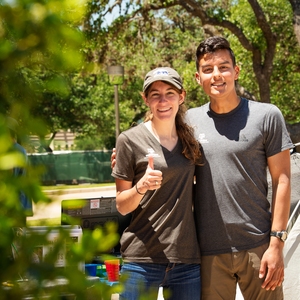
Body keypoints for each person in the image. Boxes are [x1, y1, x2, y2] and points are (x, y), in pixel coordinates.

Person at [186, 36, 293, 300]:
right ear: (198, 77)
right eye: (208, 69)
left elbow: (283, 181)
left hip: (258, 247)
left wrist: (276, 244)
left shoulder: (267, 116)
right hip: (208, 251)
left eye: (223, 67)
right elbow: (166, 159)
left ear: (236, 71)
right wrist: (129, 158)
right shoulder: (188, 121)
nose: (217, 75)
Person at [111, 67, 202, 300]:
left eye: (170, 93)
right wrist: (140, 187)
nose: (163, 101)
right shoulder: (129, 140)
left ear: (181, 97)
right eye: (155, 94)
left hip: (186, 260)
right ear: (145, 99)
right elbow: (122, 205)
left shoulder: (192, 142)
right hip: (141, 260)